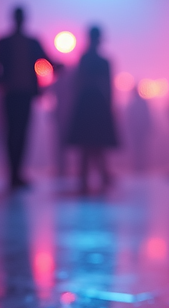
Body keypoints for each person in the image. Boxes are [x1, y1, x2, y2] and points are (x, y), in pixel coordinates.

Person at [0, 6, 53, 191]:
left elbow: (48, 61)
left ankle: (16, 173)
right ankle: (13, 173)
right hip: (15, 93)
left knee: (18, 133)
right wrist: (0, 82)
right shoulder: (18, 42)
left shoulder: (19, 42)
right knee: (13, 133)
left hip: (21, 94)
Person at [67, 26, 119, 192]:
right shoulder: (103, 61)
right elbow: (108, 87)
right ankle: (100, 175)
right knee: (96, 142)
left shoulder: (85, 59)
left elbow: (77, 84)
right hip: (97, 104)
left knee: (87, 142)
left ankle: (86, 177)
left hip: (87, 104)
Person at [50, 63, 77, 177]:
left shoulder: (57, 83)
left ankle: (62, 167)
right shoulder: (70, 83)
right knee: (70, 143)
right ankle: (66, 167)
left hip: (60, 115)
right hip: (69, 115)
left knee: (60, 144)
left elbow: (45, 91)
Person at [125, 84, 152, 174]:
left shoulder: (133, 103)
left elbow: (130, 117)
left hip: (138, 128)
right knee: (140, 147)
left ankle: (139, 165)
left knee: (138, 147)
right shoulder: (142, 103)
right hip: (139, 128)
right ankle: (140, 165)